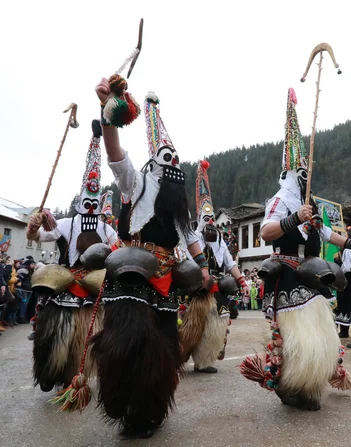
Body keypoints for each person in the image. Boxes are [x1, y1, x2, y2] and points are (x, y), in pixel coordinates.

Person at [240, 88, 351, 411]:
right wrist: (292, 219)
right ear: (292, 172)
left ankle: (310, 382)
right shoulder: (280, 200)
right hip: (286, 273)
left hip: (310, 275)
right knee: (298, 337)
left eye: (308, 173)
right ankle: (291, 384)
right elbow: (265, 232)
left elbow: (330, 235)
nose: (305, 178)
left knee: (321, 330)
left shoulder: (311, 205)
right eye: (301, 173)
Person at [90, 80, 211, 438]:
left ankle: (150, 408)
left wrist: (203, 268)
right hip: (129, 270)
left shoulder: (176, 203)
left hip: (164, 278)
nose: (172, 163)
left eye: (175, 158)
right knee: (127, 340)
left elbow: (189, 237)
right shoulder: (136, 183)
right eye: (166, 158)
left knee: (162, 346)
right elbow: (115, 153)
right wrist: (109, 112)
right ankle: (123, 401)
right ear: (154, 162)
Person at [26, 121, 117, 393]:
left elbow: (119, 246)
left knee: (85, 339)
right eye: (86, 203)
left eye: (94, 204)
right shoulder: (67, 223)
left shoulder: (105, 227)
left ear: (99, 204)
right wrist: (32, 229)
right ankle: (49, 370)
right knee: (54, 334)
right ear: (80, 202)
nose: (90, 208)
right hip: (66, 282)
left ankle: (74, 377)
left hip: (93, 286)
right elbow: (40, 237)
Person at [179, 160, 248, 375]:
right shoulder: (193, 237)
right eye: (206, 219)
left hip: (218, 289)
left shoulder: (220, 241)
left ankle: (205, 360)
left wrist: (241, 281)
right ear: (200, 219)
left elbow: (230, 263)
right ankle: (180, 356)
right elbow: (186, 259)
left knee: (217, 325)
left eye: (211, 219)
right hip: (197, 290)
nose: (210, 222)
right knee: (191, 327)